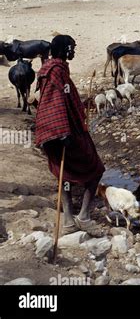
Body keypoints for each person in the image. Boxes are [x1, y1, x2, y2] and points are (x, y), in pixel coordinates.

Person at [35, 35, 105, 235]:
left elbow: (60, 100)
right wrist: (64, 132)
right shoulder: (56, 71)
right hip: (63, 132)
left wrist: (80, 104)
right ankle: (83, 217)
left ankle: (67, 221)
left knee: (63, 175)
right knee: (96, 169)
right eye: (72, 48)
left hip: (52, 132)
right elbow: (54, 102)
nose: (74, 51)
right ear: (65, 50)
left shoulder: (50, 70)